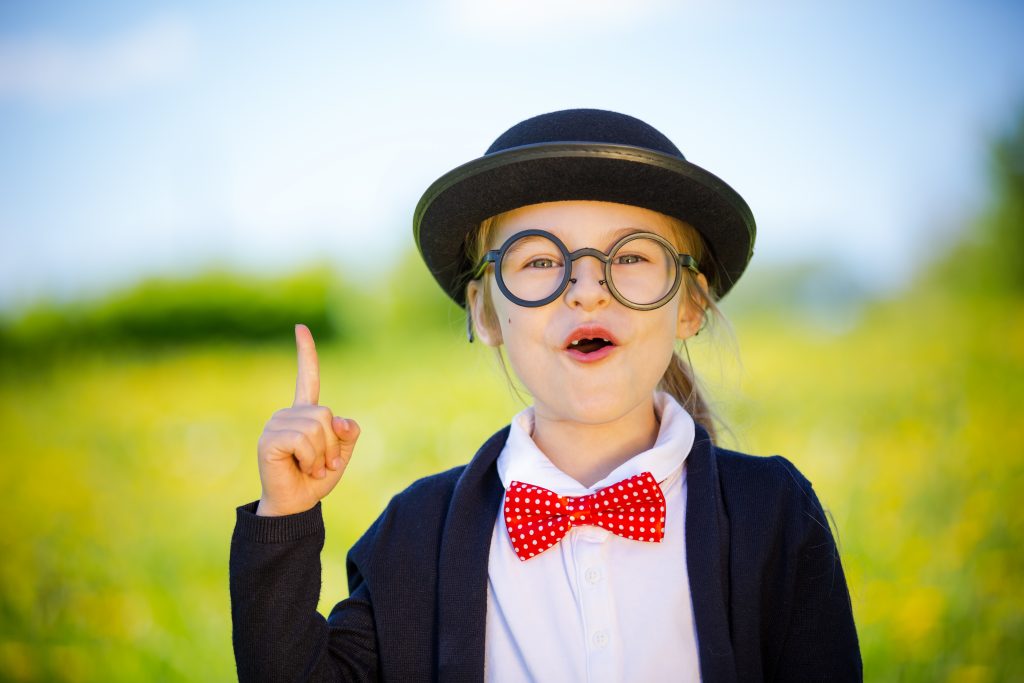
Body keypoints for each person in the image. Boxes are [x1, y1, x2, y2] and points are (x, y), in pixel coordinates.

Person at [229, 108, 862, 682]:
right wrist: (282, 520)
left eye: (632, 257)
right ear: (485, 314)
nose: (587, 289)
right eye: (538, 262)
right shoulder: (415, 534)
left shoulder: (775, 514)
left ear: (690, 305)